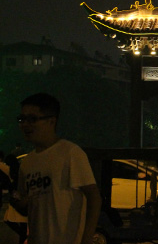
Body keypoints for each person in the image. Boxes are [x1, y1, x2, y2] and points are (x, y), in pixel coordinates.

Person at [11, 92, 101, 244]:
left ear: (51, 121)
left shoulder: (70, 153)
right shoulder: (27, 162)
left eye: (32, 119)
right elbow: (28, 207)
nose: (25, 124)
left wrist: (86, 240)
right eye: (22, 119)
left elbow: (94, 198)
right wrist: (16, 202)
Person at [3, 153, 28, 244]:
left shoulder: (10, 170)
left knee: (9, 220)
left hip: (17, 199)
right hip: (21, 199)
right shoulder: (20, 169)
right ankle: (24, 237)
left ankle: (24, 237)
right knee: (23, 224)